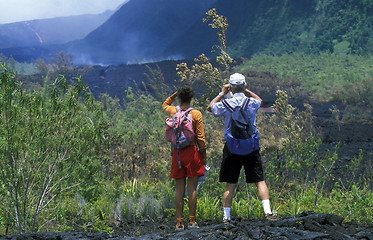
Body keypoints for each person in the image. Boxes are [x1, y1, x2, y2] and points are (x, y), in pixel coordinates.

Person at [207, 73, 279, 222]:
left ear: (231, 87)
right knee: (259, 180)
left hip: (232, 147)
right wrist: (246, 90)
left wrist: (222, 93)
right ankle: (268, 212)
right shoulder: (251, 103)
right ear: (245, 85)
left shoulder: (226, 104)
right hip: (251, 147)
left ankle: (226, 217)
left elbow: (210, 108)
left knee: (231, 183)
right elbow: (260, 100)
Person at [162, 85, 207, 230]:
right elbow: (200, 137)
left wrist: (175, 94)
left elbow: (165, 104)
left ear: (180, 97)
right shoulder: (196, 114)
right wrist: (203, 154)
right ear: (192, 97)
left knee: (179, 190)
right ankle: (192, 221)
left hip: (177, 153)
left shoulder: (173, 111)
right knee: (192, 189)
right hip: (192, 152)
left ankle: (179, 222)